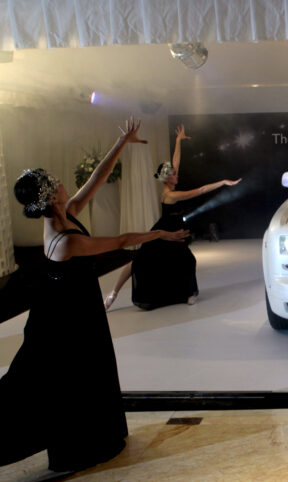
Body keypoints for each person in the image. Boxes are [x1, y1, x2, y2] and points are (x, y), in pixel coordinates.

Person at [0, 118, 189, 472]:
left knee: (90, 373)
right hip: (64, 318)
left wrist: (122, 143)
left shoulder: (65, 211)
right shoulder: (63, 238)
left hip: (76, 309)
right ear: (48, 196)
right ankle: (79, 447)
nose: (59, 183)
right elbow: (118, 242)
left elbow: (96, 181)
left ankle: (99, 439)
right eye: (52, 182)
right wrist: (160, 235)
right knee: (70, 381)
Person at [104, 124, 241, 310]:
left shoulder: (170, 185)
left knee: (184, 261)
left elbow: (176, 161)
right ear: (168, 178)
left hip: (175, 230)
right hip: (165, 232)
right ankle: (113, 293)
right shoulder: (171, 195)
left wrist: (178, 141)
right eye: (174, 174)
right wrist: (223, 182)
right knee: (138, 261)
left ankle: (188, 294)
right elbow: (200, 190)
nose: (177, 175)